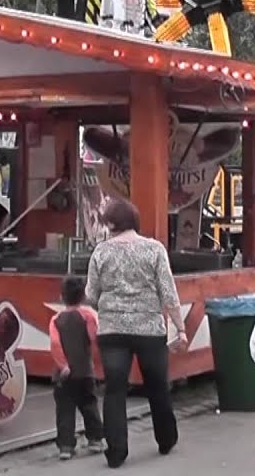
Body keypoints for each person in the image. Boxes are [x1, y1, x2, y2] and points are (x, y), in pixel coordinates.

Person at [84, 198, 185, 469]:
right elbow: (168, 292)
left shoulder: (101, 253)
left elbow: (91, 295)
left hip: (112, 330)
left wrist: (110, 306)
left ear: (112, 224)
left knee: (115, 389)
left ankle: (116, 451)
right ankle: (166, 438)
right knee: (157, 386)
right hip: (149, 329)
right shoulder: (154, 249)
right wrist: (180, 327)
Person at [49, 276, 104, 460]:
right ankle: (96, 439)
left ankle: (66, 446)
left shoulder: (56, 320)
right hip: (85, 371)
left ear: (61, 296)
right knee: (89, 405)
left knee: (65, 410)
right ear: (83, 296)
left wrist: (63, 365)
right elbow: (94, 337)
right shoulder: (88, 315)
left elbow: (55, 344)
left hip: (64, 376)